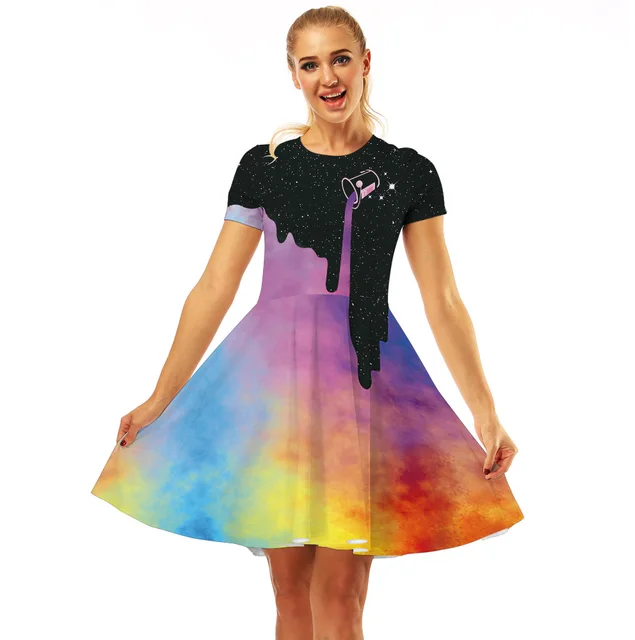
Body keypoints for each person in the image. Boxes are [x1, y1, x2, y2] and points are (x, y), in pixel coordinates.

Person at [91, 7, 524, 639]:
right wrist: (161, 396)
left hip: (362, 383)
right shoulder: (264, 167)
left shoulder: (408, 172)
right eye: (311, 64)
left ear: (365, 62)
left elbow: (444, 299)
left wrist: (485, 413)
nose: (329, 77)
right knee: (291, 594)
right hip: (274, 393)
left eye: (341, 59)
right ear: (294, 75)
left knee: (339, 594)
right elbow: (215, 286)